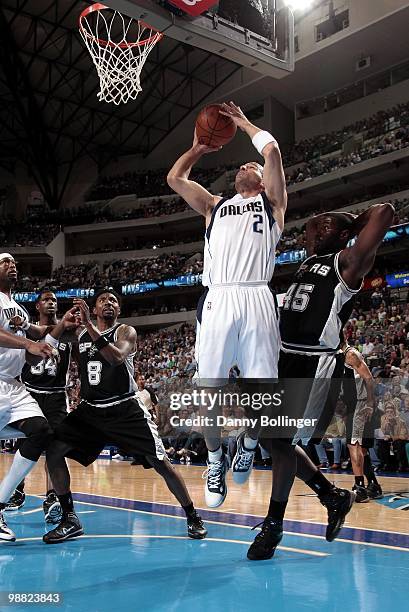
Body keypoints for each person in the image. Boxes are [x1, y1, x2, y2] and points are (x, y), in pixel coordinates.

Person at [248, 202, 395, 560]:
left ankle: (274, 524)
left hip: (313, 365)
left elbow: (385, 212)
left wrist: (346, 225)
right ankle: (330, 495)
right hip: (282, 357)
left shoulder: (348, 263)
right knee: (270, 439)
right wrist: (330, 226)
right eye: (311, 227)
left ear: (345, 235)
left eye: (322, 226)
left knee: (280, 439)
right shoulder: (307, 262)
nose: (312, 231)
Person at [167, 100, 287, 507]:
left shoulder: (273, 203)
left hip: (257, 295)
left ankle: (249, 447)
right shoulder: (214, 205)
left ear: (259, 177)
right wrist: (199, 149)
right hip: (218, 297)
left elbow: (272, 152)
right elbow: (175, 178)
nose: (242, 168)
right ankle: (215, 460)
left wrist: (244, 123)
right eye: (238, 167)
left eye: (247, 167)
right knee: (210, 392)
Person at [43, 290, 207, 543]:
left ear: (118, 311)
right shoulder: (79, 336)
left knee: (161, 462)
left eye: (114, 301)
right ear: (94, 309)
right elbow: (49, 336)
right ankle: (69, 518)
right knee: (53, 451)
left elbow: (116, 358)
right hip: (91, 410)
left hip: (124, 409)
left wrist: (87, 323)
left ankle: (192, 515)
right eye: (103, 300)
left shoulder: (125, 331)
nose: (109, 303)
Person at [0, 254, 60, 542]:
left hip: (13, 385)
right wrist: (29, 343)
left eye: (14, 263)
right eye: (5, 263)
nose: (12, 266)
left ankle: (0, 503)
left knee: (40, 431)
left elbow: (26, 353)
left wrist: (39, 352)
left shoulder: (18, 309)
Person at [4, 290, 73, 521]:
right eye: (46, 299)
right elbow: (36, 335)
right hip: (29, 391)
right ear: (37, 306)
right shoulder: (26, 328)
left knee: (54, 447)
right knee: (26, 441)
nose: (51, 303)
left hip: (55, 396)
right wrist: (24, 327)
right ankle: (17, 490)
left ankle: (53, 495)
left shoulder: (68, 330)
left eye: (54, 300)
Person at [342, 343, 382, 502]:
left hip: (361, 405)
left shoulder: (351, 354)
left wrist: (370, 404)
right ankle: (373, 485)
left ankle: (360, 488)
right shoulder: (339, 356)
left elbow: (369, 379)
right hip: (354, 405)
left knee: (354, 446)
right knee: (362, 449)